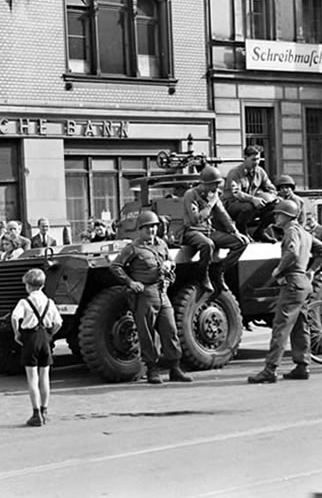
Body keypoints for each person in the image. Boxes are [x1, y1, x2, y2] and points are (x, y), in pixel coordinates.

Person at [248, 200, 322, 384]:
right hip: (303, 283)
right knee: (301, 325)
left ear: (288, 216)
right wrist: (312, 270)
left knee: (281, 327)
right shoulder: (305, 232)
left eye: (278, 214)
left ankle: (270, 369)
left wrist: (278, 269)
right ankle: (302, 365)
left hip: (292, 282)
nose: (276, 217)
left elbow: (291, 252)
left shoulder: (291, 231)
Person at [109, 211, 193, 384]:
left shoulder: (161, 244)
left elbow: (170, 260)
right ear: (140, 229)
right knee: (146, 333)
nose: (151, 230)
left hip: (162, 291)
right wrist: (130, 282)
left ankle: (175, 367)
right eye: (147, 227)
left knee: (170, 330)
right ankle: (152, 369)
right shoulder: (133, 248)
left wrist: (170, 265)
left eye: (154, 227)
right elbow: (116, 266)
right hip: (145, 294)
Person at [181, 165, 250, 293]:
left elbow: (223, 215)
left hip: (208, 231)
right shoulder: (191, 194)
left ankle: (218, 271)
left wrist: (235, 232)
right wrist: (210, 203)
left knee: (242, 242)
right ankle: (203, 275)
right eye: (214, 184)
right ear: (206, 184)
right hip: (192, 231)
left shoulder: (213, 195)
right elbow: (196, 219)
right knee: (208, 245)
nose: (216, 188)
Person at [11, 268, 63, 426]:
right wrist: (50, 334)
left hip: (30, 337)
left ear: (28, 285)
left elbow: (14, 317)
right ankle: (45, 410)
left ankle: (36, 413)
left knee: (32, 379)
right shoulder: (49, 302)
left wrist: (16, 333)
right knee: (44, 377)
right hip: (44, 337)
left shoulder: (24, 302)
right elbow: (59, 322)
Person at [222, 145, 278, 242]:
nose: (256, 162)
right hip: (232, 206)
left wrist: (269, 197)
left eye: (258, 159)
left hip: (252, 203)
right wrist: (253, 199)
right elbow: (236, 193)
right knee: (248, 207)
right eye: (253, 159)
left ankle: (260, 232)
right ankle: (242, 231)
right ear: (245, 158)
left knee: (277, 205)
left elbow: (270, 187)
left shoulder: (260, 172)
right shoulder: (235, 173)